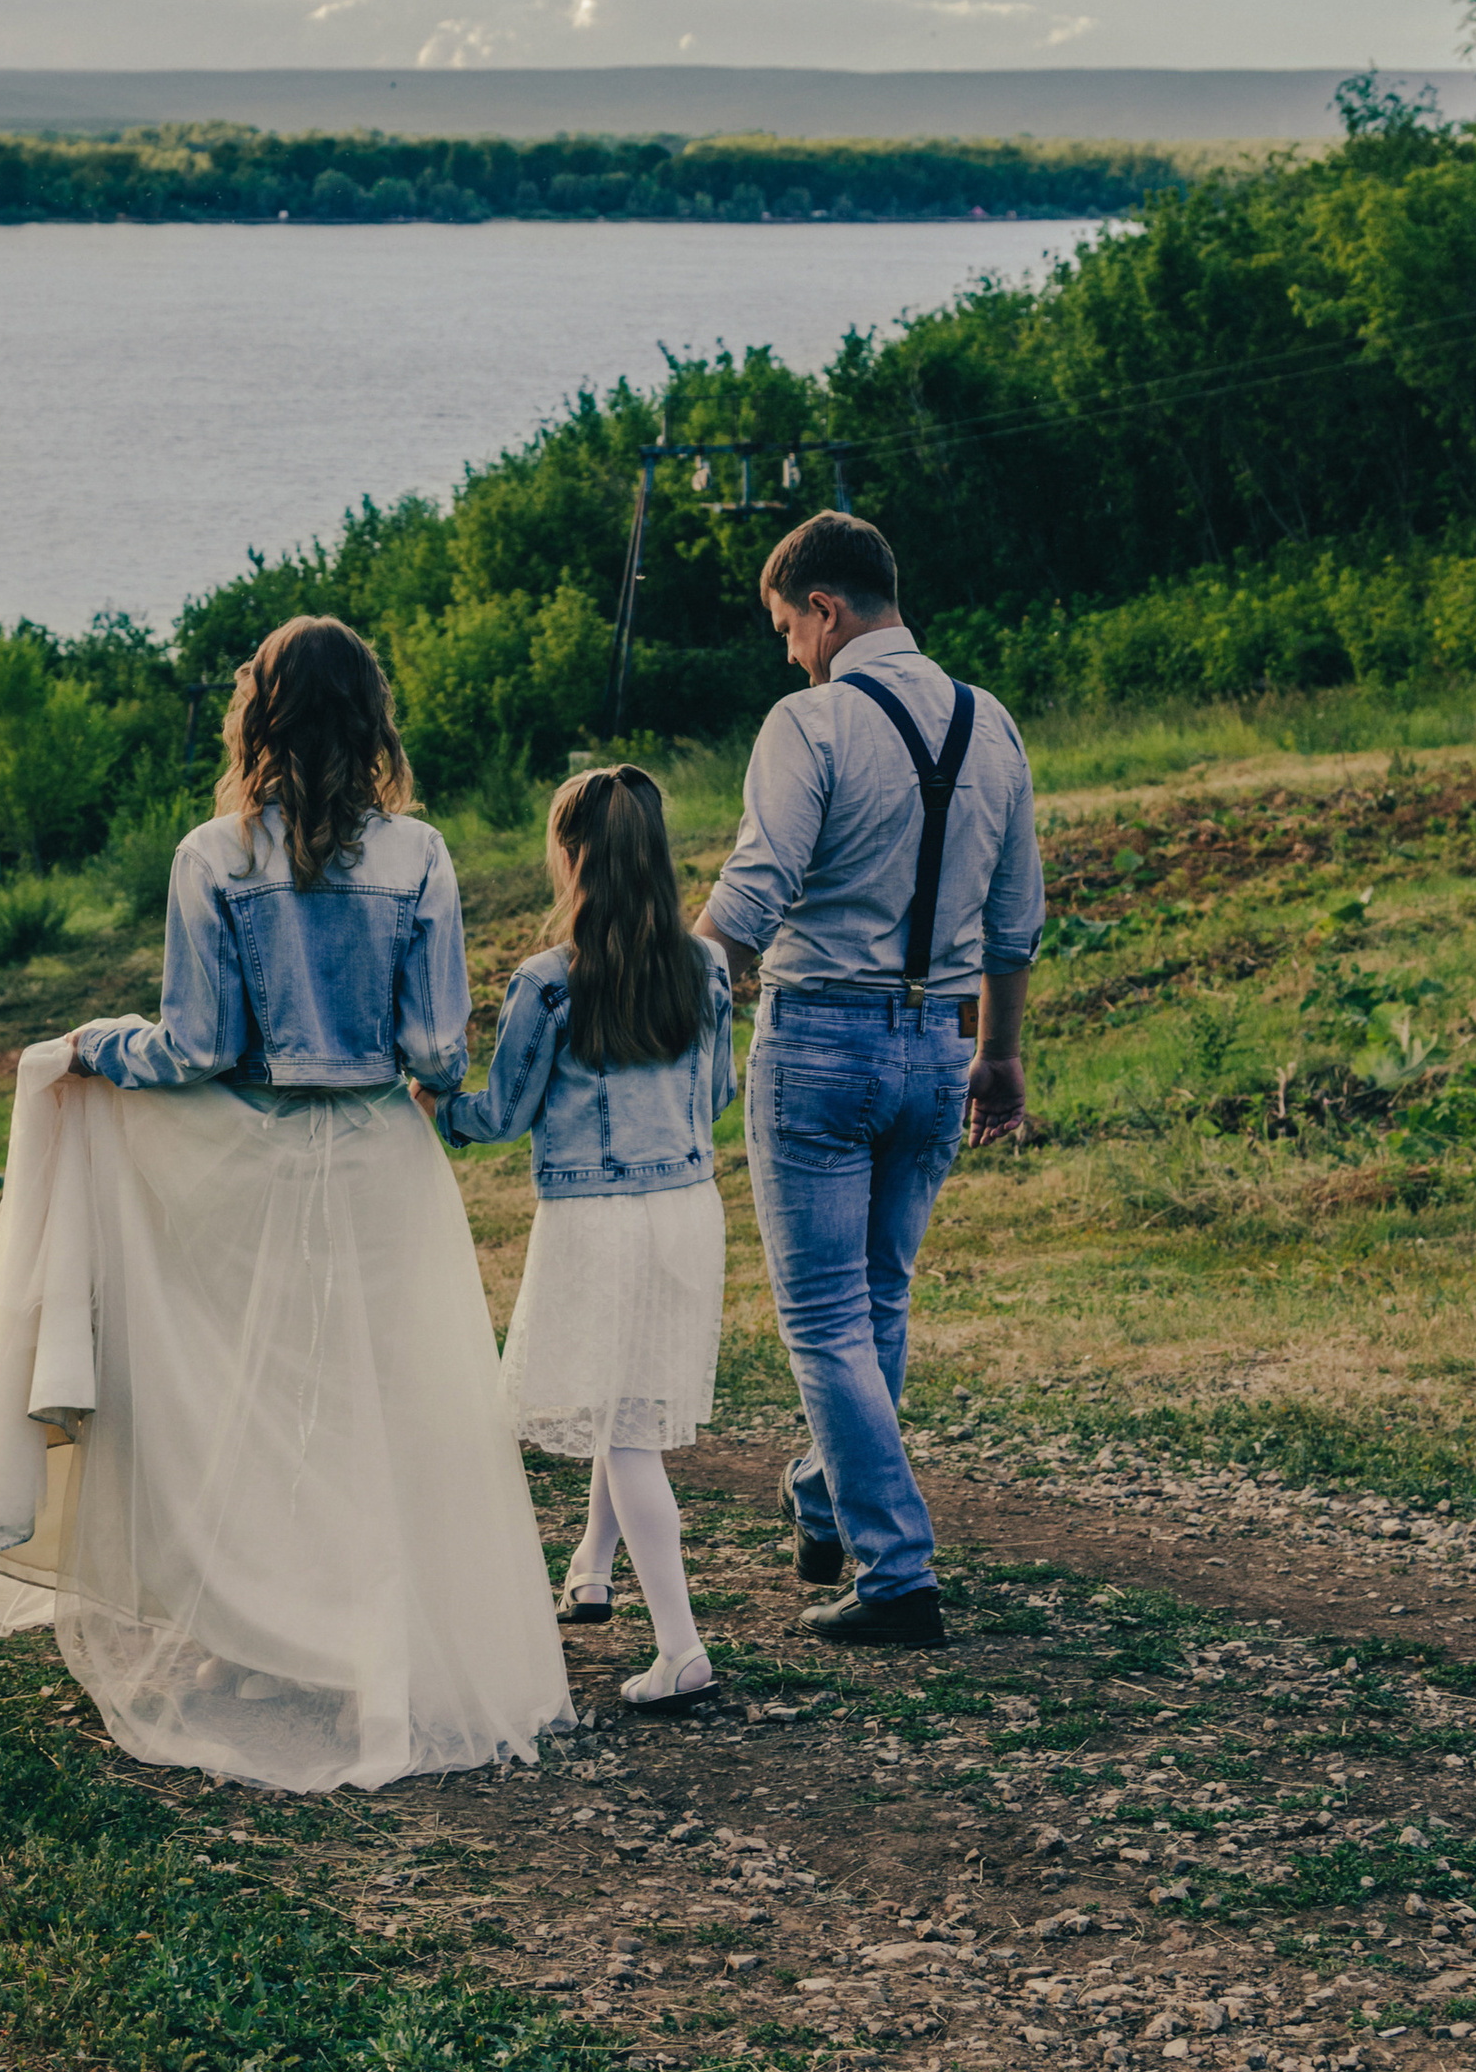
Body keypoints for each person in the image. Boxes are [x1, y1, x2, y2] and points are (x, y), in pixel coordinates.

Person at [0, 615, 571, 1792]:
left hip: (250, 1161)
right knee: (389, 1405)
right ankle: (372, 1647)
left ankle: (264, 1641)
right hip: (378, 1164)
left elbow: (197, 1046)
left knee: (248, 1397)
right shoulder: (422, 854)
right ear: (371, 720)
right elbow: (434, 1052)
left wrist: (96, 1045)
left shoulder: (213, 853)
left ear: (257, 715)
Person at [694, 512, 1043, 1648]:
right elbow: (1013, 918)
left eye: (788, 626)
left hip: (819, 1049)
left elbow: (756, 888)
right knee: (878, 1301)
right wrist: (999, 1051)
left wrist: (670, 990)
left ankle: (895, 1572)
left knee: (825, 1320)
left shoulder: (812, 721)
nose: (788, 650)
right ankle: (819, 1493)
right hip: (938, 1049)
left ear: (826, 610)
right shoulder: (991, 725)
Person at [426, 766, 735, 1714]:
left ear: (572, 857)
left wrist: (437, 1108)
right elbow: (717, 1095)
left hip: (596, 1220)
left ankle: (681, 1647)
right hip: (687, 1208)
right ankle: (592, 1567)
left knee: (625, 1428)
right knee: (625, 1396)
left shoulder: (549, 982)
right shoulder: (709, 966)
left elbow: (505, 1110)